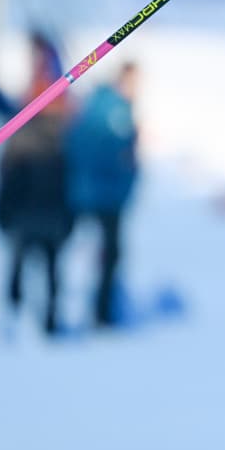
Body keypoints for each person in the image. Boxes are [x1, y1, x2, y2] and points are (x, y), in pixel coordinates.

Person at [0, 29, 74, 338]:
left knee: (31, 266)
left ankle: (26, 319)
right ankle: (31, 319)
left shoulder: (33, 133)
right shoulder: (61, 135)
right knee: (37, 267)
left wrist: (1, 212)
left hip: (35, 215)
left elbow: (8, 176)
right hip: (46, 216)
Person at [65, 61, 140, 327]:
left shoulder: (97, 103)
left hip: (89, 193)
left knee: (94, 254)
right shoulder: (115, 110)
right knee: (106, 255)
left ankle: (91, 309)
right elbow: (106, 153)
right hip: (104, 196)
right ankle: (101, 313)